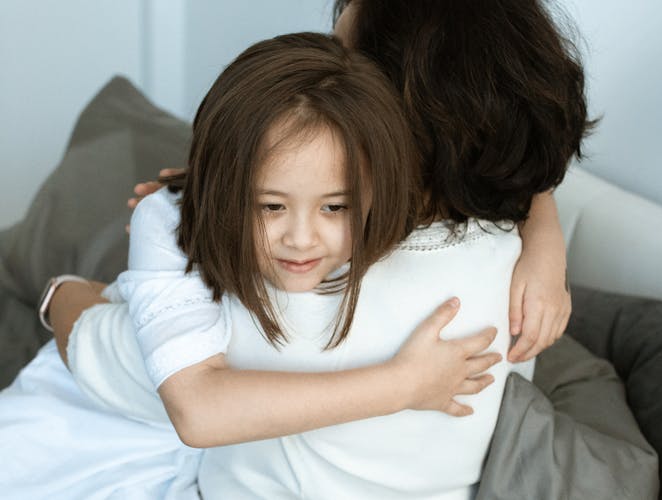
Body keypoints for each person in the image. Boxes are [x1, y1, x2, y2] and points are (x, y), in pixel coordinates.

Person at [52, 0, 594, 497]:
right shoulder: (510, 254)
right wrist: (543, 231)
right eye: (271, 206)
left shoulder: (280, 295)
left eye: (342, 59)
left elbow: (106, 359)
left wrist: (64, 295)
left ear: (394, 120)